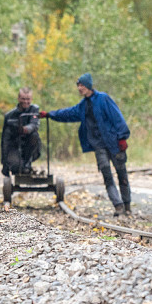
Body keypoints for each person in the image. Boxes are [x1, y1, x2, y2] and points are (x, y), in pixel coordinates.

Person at [41, 73, 132, 216]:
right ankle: (118, 206)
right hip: (99, 146)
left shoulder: (103, 99)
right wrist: (49, 114)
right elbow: (67, 114)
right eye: (78, 85)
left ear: (88, 85)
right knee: (107, 176)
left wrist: (122, 138)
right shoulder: (82, 106)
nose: (79, 87)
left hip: (114, 143)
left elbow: (117, 117)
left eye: (81, 85)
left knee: (122, 175)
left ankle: (127, 205)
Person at [1, 87, 42, 177]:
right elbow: (5, 140)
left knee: (34, 135)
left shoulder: (34, 110)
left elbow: (34, 124)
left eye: (28, 99)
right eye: (23, 99)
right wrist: (4, 163)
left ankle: (27, 164)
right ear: (18, 99)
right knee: (16, 168)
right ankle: (21, 166)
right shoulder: (9, 116)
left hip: (30, 147)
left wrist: (25, 129)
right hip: (14, 147)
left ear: (31, 99)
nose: (25, 101)